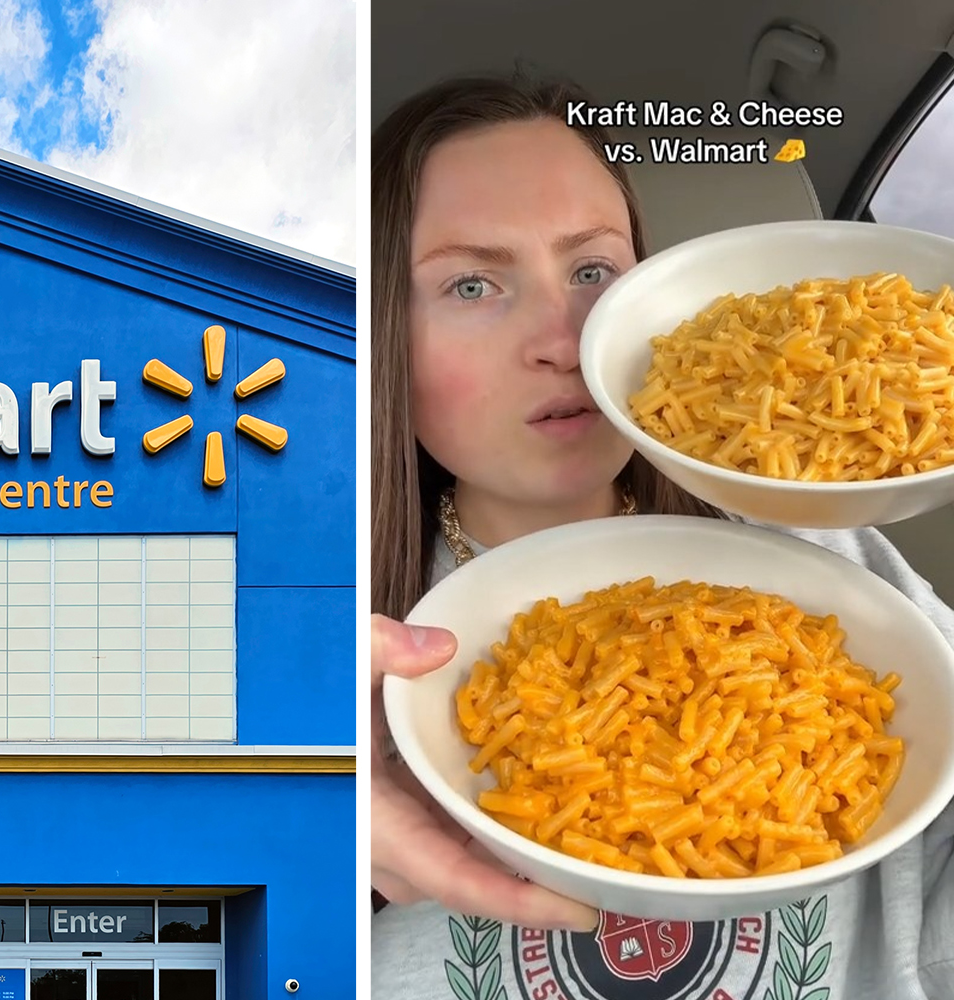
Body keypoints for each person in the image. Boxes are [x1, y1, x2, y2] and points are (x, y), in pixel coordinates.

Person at [368, 72, 954, 998]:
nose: (563, 337)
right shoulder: (340, 664)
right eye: (472, 283)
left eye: (593, 270)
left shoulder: (829, 568)